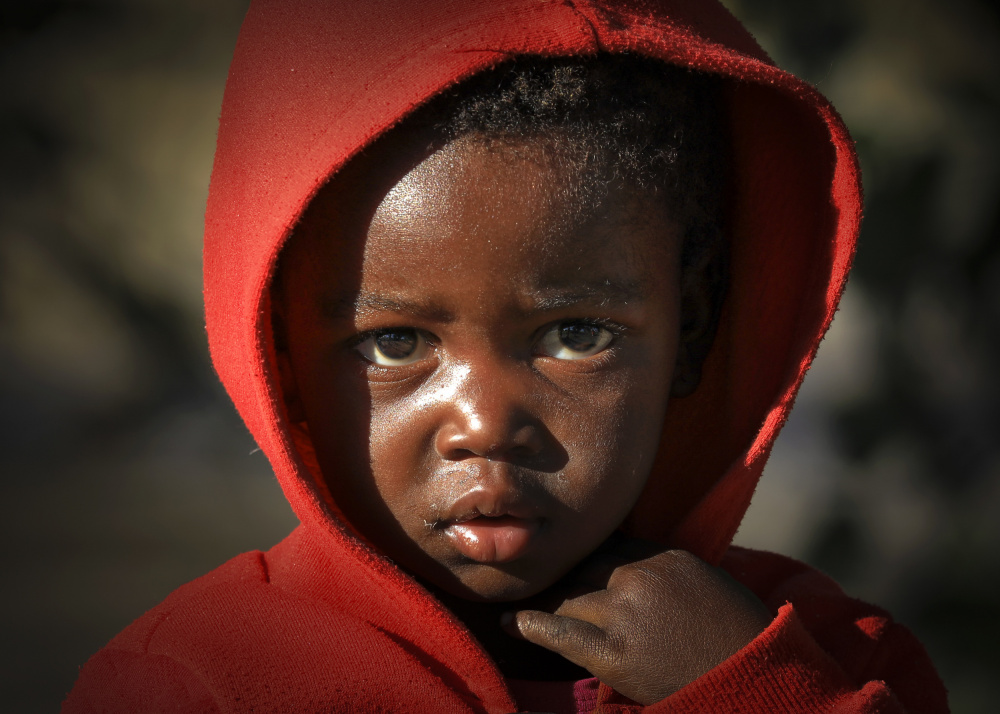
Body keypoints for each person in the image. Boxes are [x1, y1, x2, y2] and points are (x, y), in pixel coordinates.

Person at [63, 1, 949, 712]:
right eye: (395, 343)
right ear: (282, 353)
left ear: (694, 327)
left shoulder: (831, 656)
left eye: (575, 335)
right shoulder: (199, 681)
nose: (486, 425)